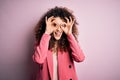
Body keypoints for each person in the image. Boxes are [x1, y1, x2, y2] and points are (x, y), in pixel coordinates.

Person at [32, 6, 85, 80]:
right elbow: (39, 59)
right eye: (54, 25)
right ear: (48, 25)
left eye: (63, 25)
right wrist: (47, 33)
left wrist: (69, 34)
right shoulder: (42, 42)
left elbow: (80, 58)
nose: (58, 29)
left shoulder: (69, 43)